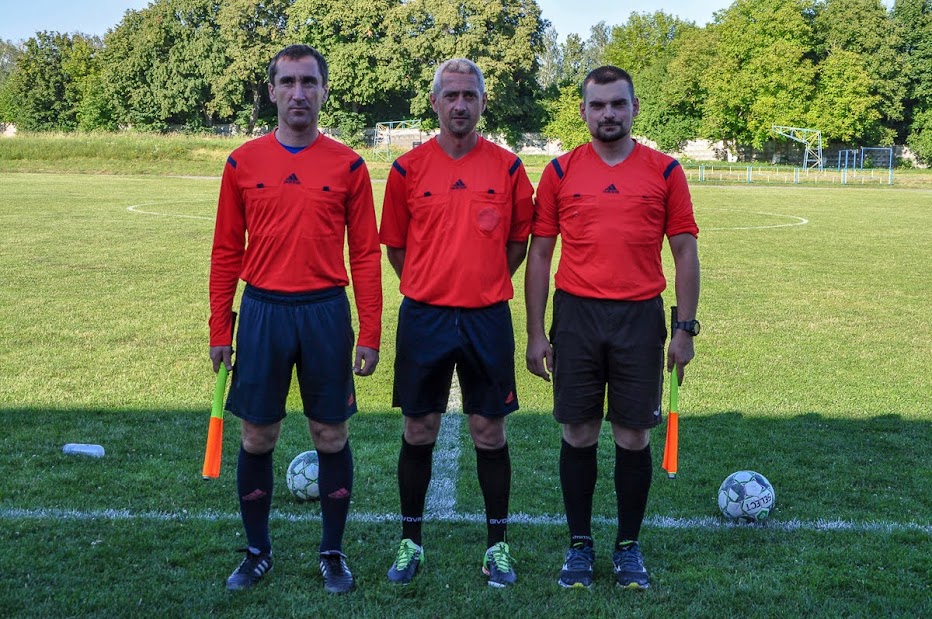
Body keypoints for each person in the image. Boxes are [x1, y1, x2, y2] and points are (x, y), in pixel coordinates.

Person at [209, 44, 382, 595]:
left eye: (309, 83)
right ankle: (257, 552)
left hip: (325, 312)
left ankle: (332, 553)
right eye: (288, 83)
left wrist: (371, 330)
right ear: (271, 92)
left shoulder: (349, 164)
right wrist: (220, 328)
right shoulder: (241, 162)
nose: (298, 93)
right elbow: (224, 250)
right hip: (262, 311)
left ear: (325, 91)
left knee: (330, 434)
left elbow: (366, 255)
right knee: (257, 435)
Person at [525, 65, 700, 590]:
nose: (608, 114)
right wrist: (536, 332)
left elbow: (685, 250)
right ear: (583, 111)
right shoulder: (559, 172)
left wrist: (685, 329)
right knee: (578, 431)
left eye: (617, 104)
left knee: (632, 434)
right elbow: (539, 254)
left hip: (640, 317)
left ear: (634, 108)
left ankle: (627, 547)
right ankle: (579, 546)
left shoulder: (666, 172)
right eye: (597, 105)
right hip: (576, 316)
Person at [379, 58, 534, 588]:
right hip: (424, 315)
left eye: (470, 95)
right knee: (418, 427)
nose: (461, 104)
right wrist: (432, 282)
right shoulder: (406, 169)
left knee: (489, 431)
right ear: (435, 102)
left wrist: (482, 280)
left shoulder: (510, 168)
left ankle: (498, 547)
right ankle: (409, 542)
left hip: (487, 316)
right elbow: (395, 246)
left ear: (483, 102)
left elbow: (519, 242)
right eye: (451, 95)